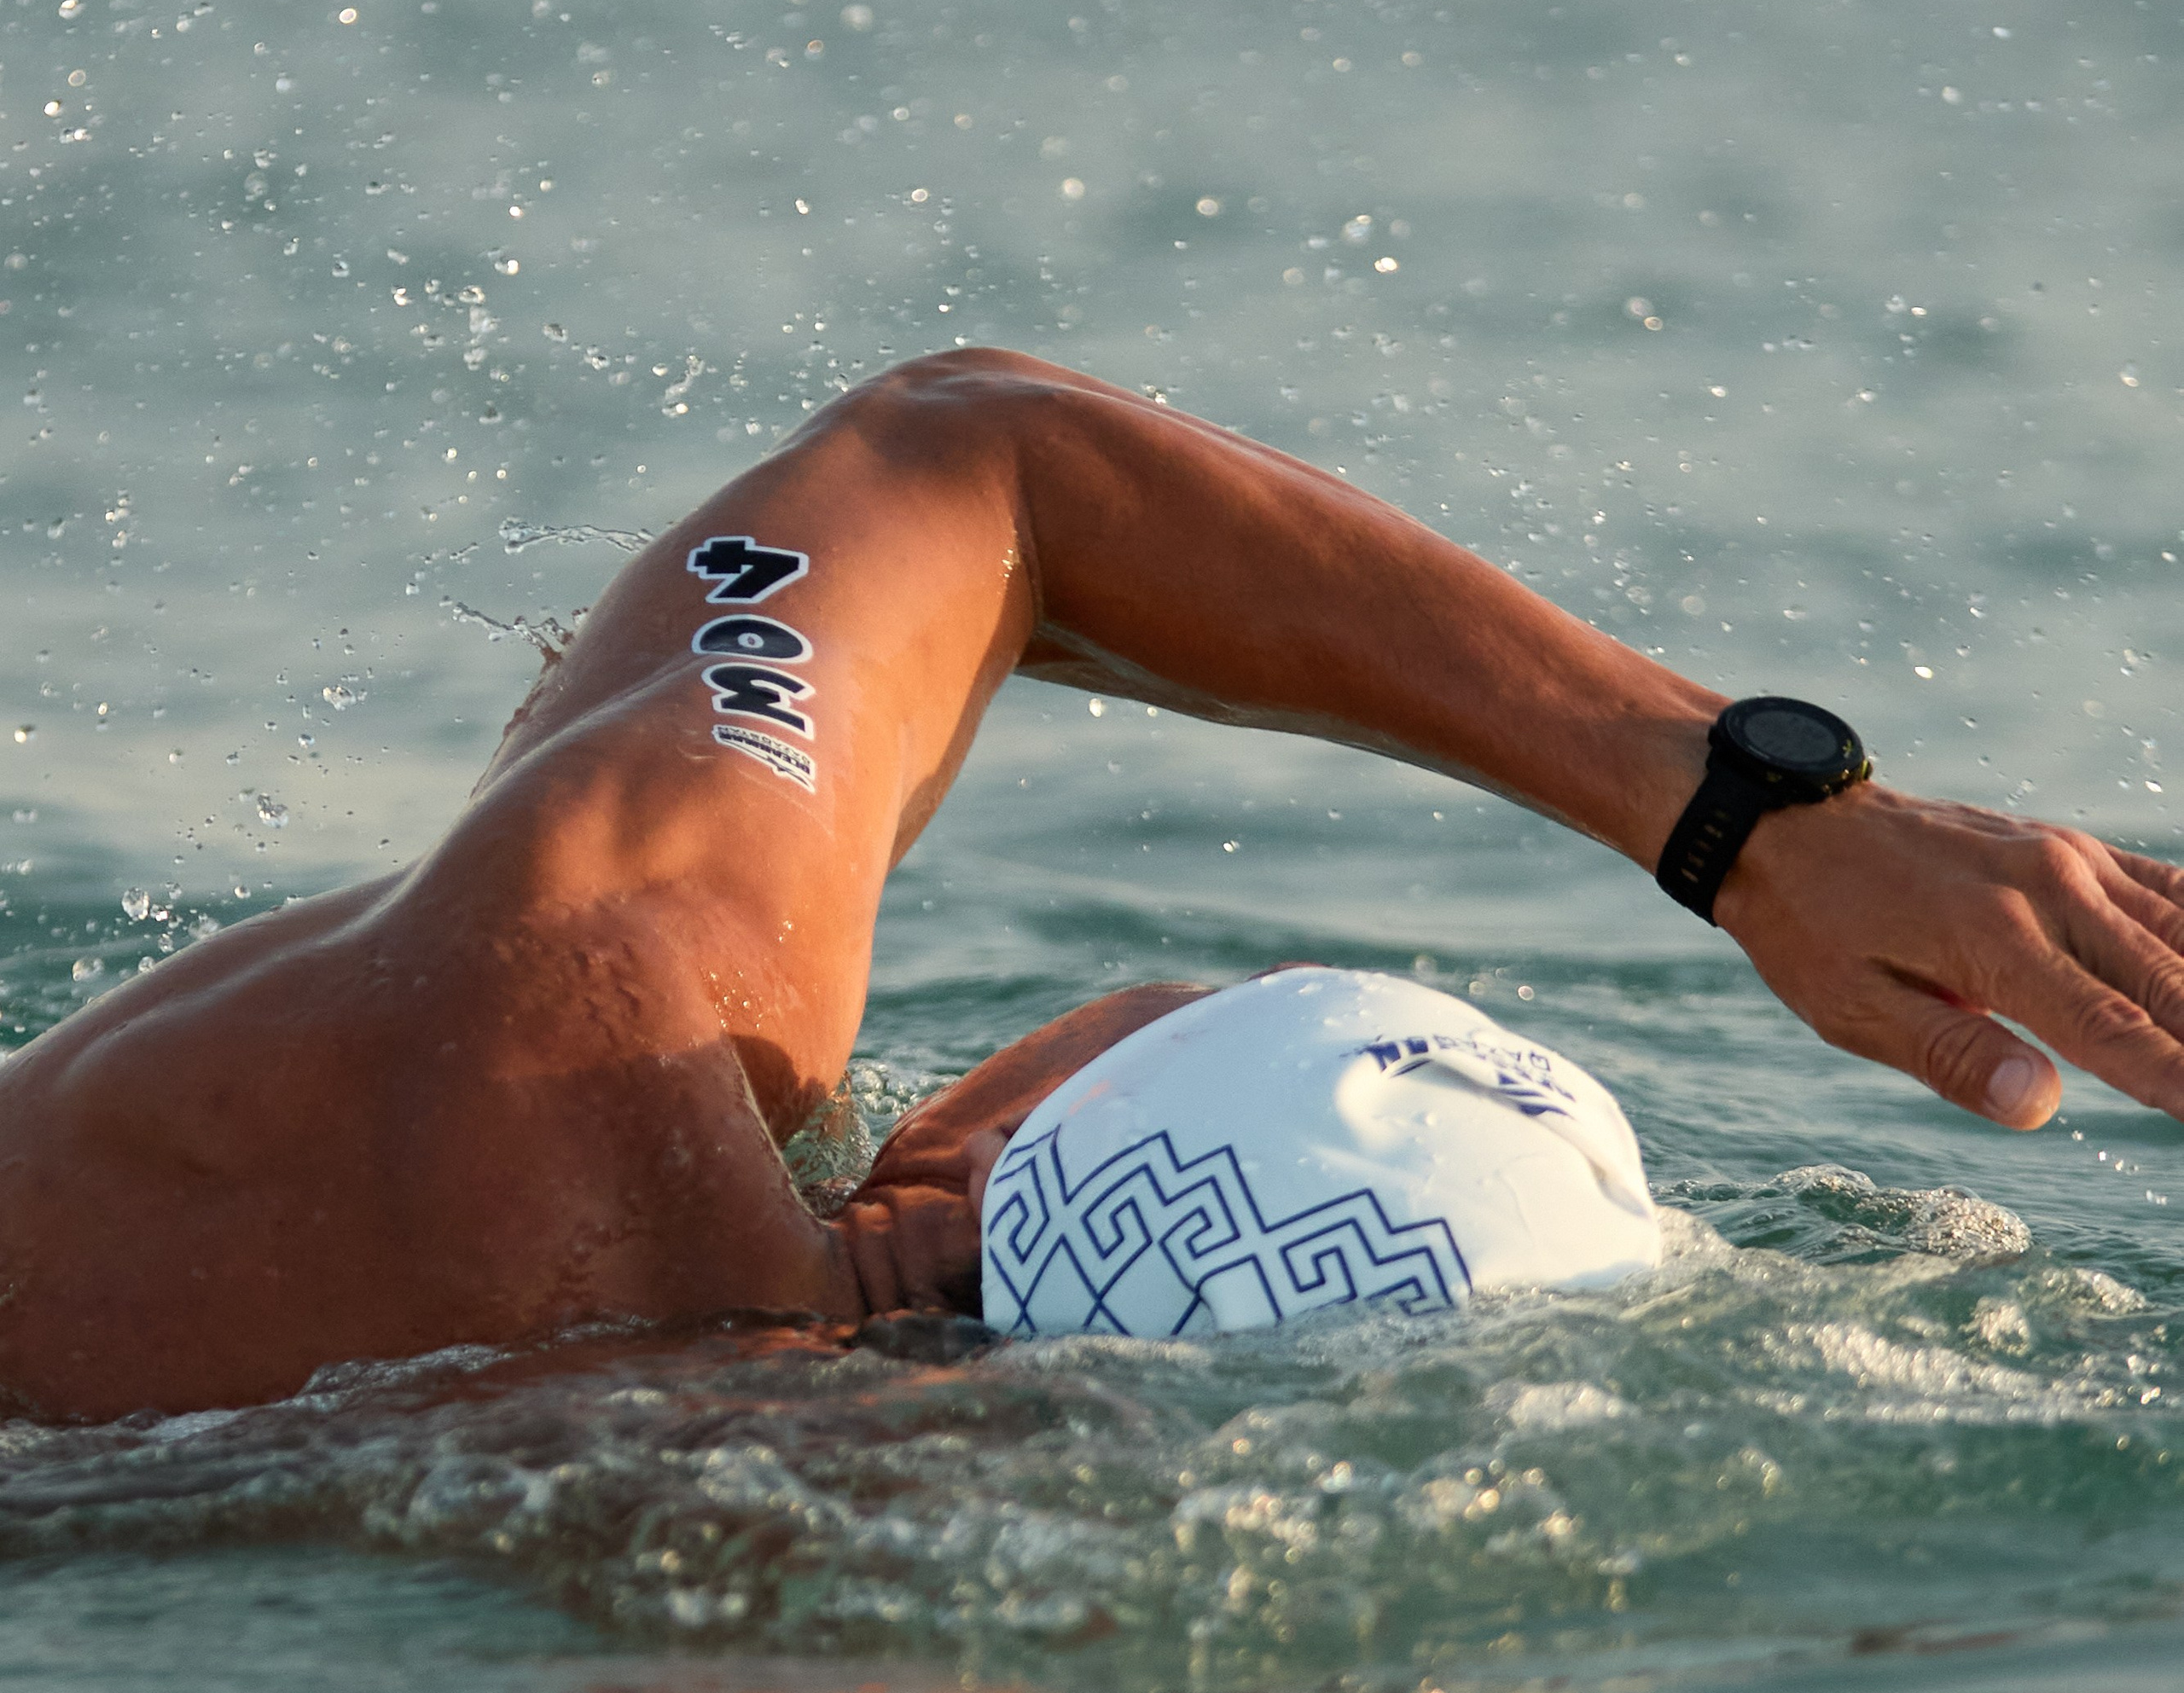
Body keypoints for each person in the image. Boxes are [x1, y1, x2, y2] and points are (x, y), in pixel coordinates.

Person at [3, 345, 2181, 1423]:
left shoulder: (627, 969)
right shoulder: (758, 1564)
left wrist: (1743, 812)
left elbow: (978, 450)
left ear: (1009, 1129)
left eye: (1170, 1017)